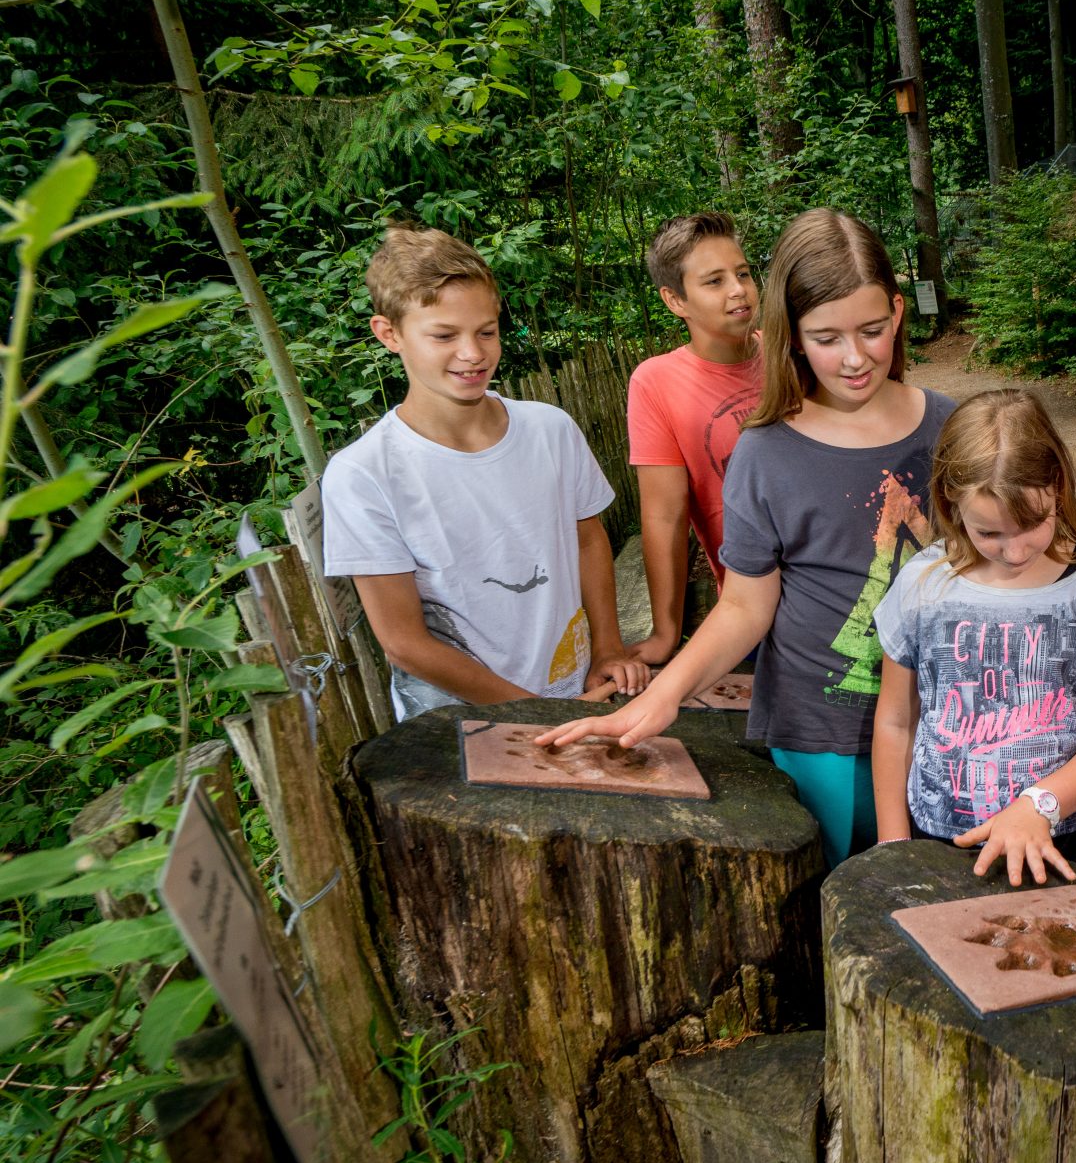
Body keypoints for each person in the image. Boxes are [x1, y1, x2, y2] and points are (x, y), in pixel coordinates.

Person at [537, 209, 956, 866]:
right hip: (823, 732)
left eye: (872, 331)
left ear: (899, 313)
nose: (853, 358)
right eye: (826, 337)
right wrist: (662, 695)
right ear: (790, 336)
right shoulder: (765, 451)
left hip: (943, 720)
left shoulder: (950, 428)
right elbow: (744, 605)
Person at [321, 224, 648, 722]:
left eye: (486, 332)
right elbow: (405, 644)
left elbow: (587, 539)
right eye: (444, 335)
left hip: (578, 689)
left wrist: (607, 647)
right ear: (389, 334)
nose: (473, 354)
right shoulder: (362, 475)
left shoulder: (550, 429)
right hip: (458, 724)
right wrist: (534, 713)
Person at [872, 390, 1076, 886]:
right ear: (951, 503)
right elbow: (897, 720)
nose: (1016, 550)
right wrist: (894, 845)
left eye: (1033, 524)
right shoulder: (923, 582)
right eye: (989, 533)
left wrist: (1040, 805)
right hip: (941, 845)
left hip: (1072, 848)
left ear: (1058, 487)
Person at [626, 211, 762, 665]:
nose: (738, 289)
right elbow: (665, 517)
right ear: (675, 300)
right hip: (751, 607)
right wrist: (666, 631)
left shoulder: (793, 353)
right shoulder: (657, 383)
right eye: (714, 281)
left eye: (742, 273)